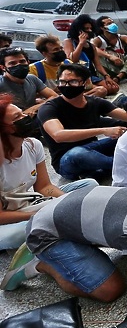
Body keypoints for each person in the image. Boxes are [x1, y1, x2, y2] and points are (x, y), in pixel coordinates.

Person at [0, 94, 98, 251]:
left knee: (89, 184)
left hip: (29, 202)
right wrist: (39, 213)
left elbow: (44, 186)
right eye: (17, 116)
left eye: (23, 112)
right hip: (9, 216)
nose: (26, 117)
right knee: (21, 232)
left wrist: (65, 201)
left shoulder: (33, 145)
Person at [38, 64, 127, 180]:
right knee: (77, 153)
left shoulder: (95, 102)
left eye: (73, 82)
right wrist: (104, 130)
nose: (66, 86)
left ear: (85, 82)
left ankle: (101, 170)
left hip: (92, 149)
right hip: (67, 160)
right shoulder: (49, 108)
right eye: (62, 82)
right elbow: (58, 135)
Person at [63, 14, 118, 96]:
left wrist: (106, 76)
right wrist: (80, 44)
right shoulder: (69, 42)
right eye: (86, 29)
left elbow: (97, 64)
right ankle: (82, 95)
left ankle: (88, 93)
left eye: (90, 28)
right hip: (77, 76)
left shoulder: (91, 46)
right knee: (102, 91)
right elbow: (72, 60)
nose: (89, 31)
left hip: (91, 76)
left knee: (114, 88)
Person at [0, 47, 57, 113]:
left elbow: (55, 97)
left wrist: (36, 107)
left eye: (22, 61)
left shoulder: (32, 78)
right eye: (12, 63)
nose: (19, 65)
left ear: (28, 62)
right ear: (3, 67)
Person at [93, 15, 127, 83]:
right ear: (102, 28)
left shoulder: (122, 37)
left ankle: (120, 75)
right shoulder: (98, 40)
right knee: (96, 56)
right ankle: (126, 74)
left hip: (121, 64)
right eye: (109, 24)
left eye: (112, 22)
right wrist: (109, 56)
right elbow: (93, 48)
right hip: (109, 69)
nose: (113, 25)